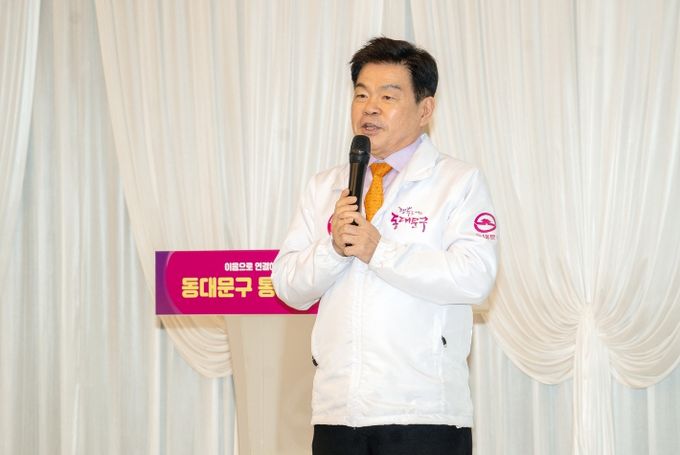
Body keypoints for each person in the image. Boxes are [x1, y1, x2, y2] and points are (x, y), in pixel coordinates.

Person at [272, 37, 498, 455]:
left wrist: (380, 251)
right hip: (338, 411)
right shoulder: (325, 186)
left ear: (425, 109)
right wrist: (332, 250)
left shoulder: (457, 182)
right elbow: (288, 286)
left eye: (388, 96)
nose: (370, 108)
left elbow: (474, 277)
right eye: (361, 95)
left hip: (423, 413)